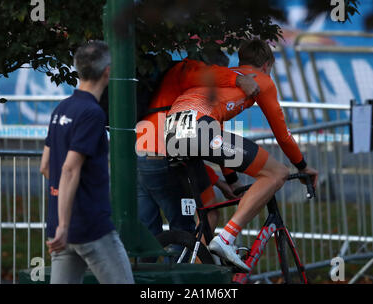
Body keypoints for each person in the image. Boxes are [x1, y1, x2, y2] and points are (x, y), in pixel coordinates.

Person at [165, 39, 318, 272]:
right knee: (277, 173)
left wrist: (234, 182)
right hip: (200, 128)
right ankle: (227, 239)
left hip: (172, 133)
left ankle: (196, 277)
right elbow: (283, 135)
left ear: (241, 60)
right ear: (266, 65)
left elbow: (220, 136)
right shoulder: (261, 81)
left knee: (208, 214)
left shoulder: (228, 75)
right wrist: (303, 165)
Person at [136, 46, 259, 238]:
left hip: (142, 154)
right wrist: (239, 79)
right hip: (165, 156)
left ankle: (140, 267)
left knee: (146, 233)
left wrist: (223, 181)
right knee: (184, 229)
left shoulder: (176, 80)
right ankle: (189, 264)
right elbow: (217, 141)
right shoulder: (192, 74)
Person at [39, 40, 134, 284]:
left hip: (63, 231)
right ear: (108, 71)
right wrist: (66, 222)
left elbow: (46, 167)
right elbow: (70, 168)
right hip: (91, 227)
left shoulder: (62, 108)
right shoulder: (92, 113)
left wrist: (61, 221)